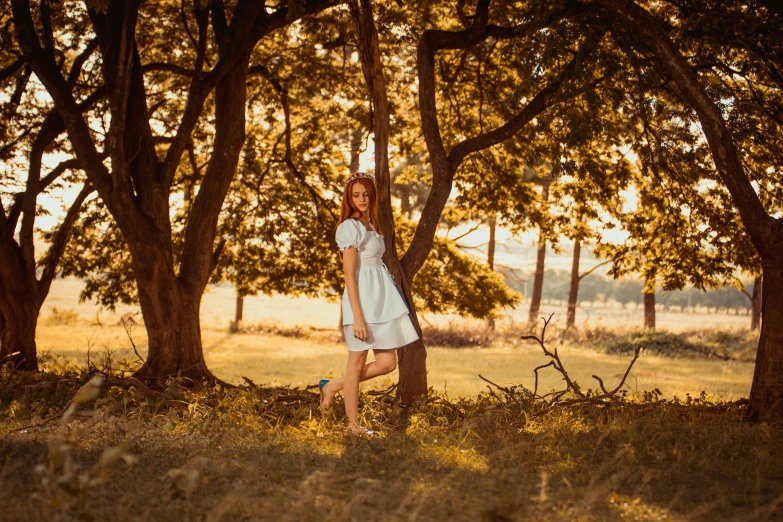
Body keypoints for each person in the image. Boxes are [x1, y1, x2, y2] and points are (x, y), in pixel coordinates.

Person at [318, 171, 420, 435]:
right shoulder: (349, 227)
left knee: (387, 363)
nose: (361, 199)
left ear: (371, 196)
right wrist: (358, 316)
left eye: (365, 194)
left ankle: (332, 386)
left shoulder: (370, 225)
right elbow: (350, 275)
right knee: (356, 362)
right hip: (362, 300)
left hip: (382, 299)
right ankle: (352, 425)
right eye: (356, 195)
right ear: (349, 198)